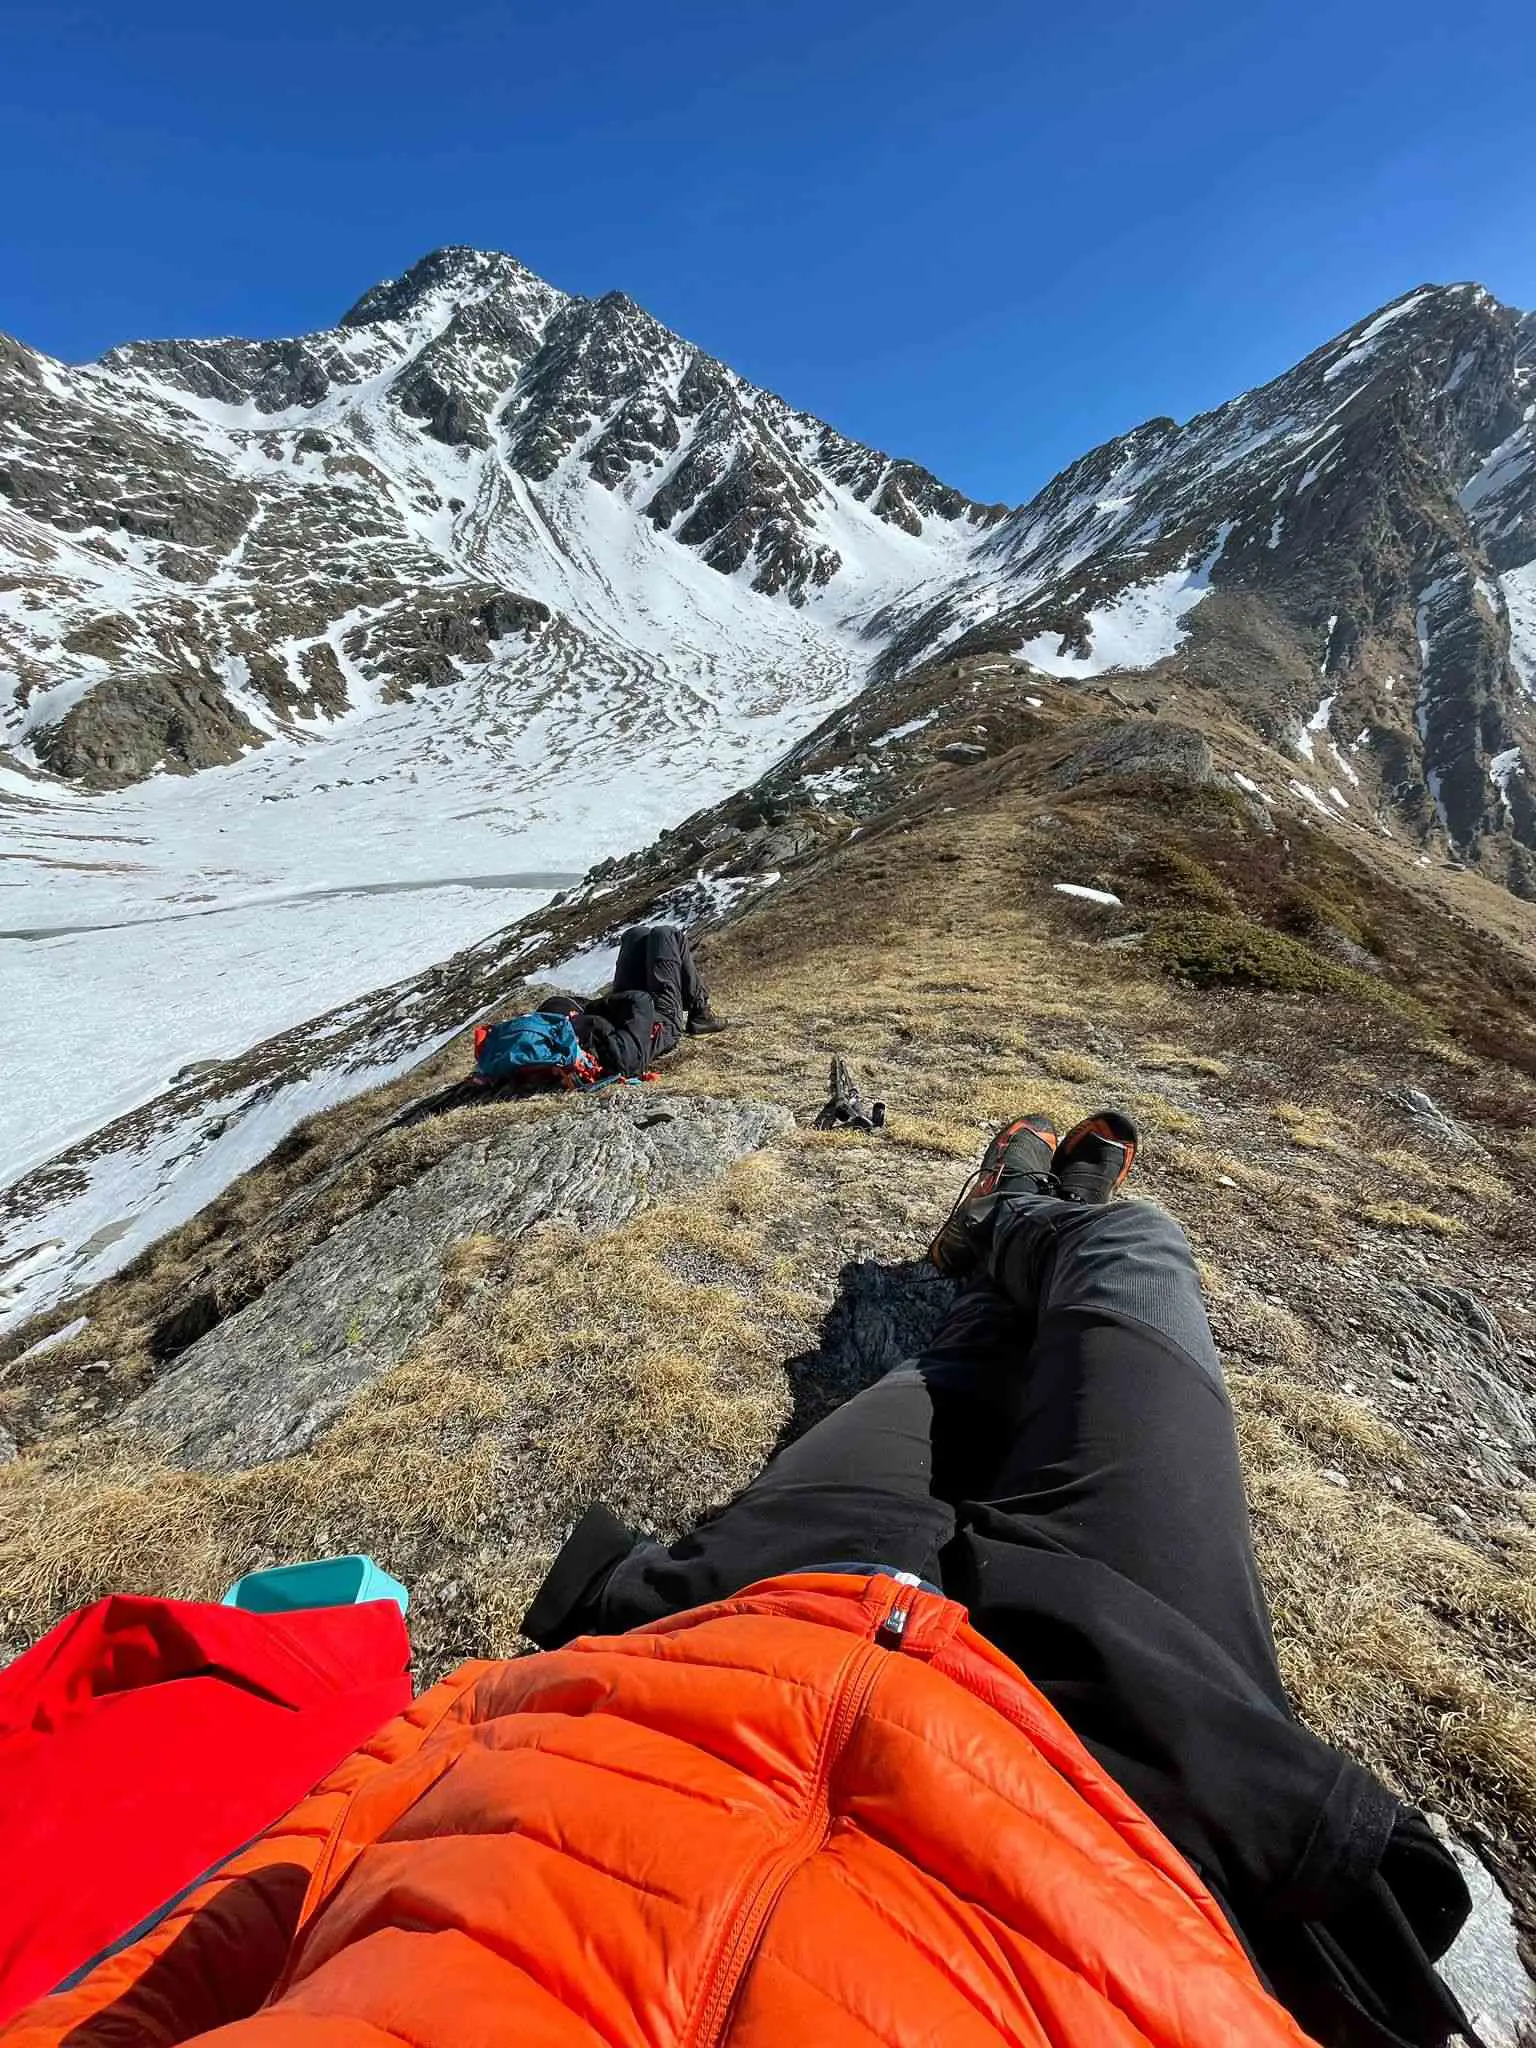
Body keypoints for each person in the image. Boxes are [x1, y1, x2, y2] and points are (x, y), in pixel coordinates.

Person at [11, 1117, 1474, 2048]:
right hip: (1122, 1763)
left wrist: (472, 1714)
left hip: (732, 1642)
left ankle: (1008, 1232)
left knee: (949, 1370)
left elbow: (213, 1939)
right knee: (1135, 1257)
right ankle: (1034, 1220)